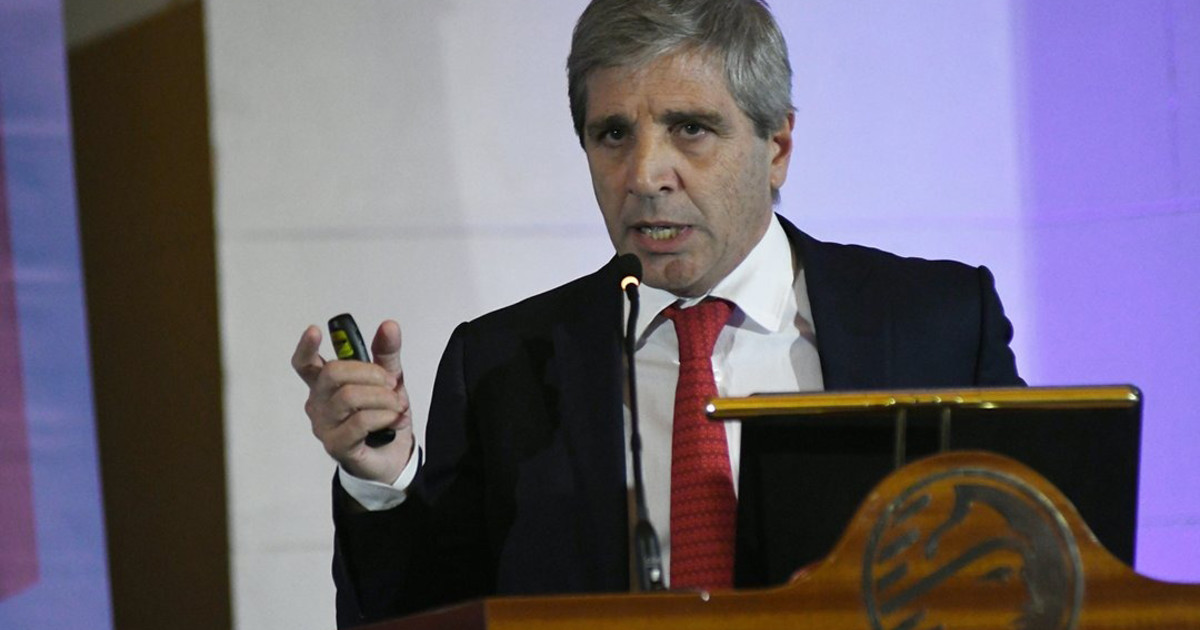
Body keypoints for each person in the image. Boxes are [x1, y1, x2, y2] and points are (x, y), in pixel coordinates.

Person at [290, 0, 1024, 627]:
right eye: (613, 134)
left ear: (777, 147)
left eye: (690, 129)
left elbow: (1038, 559)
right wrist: (381, 478)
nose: (643, 175)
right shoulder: (501, 365)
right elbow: (424, 615)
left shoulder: (938, 323)